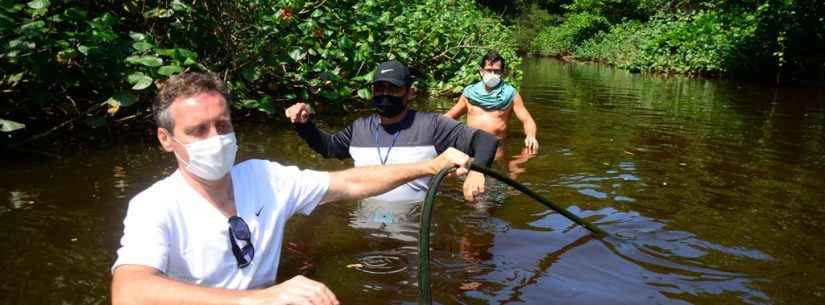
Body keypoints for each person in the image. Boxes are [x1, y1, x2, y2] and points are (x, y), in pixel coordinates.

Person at [110, 72, 473, 305]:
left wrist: (431, 165)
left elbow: (349, 180)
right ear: (166, 139)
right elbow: (129, 291)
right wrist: (259, 299)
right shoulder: (154, 204)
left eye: (223, 125)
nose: (216, 139)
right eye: (198, 130)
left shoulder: (264, 177)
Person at [285, 60, 498, 203]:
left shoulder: (432, 125)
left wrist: (477, 171)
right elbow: (328, 148)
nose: (385, 94)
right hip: (364, 224)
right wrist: (304, 125)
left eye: (393, 88)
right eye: (380, 88)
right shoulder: (359, 128)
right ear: (372, 91)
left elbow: (485, 140)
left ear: (410, 93)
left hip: (414, 225)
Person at [444, 51, 539, 160]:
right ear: (481, 71)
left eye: (496, 71)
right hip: (469, 145)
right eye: (489, 70)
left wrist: (531, 136)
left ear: (502, 72)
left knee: (494, 171)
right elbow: (450, 116)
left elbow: (527, 120)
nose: (492, 74)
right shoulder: (469, 93)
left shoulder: (511, 94)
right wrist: (431, 129)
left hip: (496, 149)